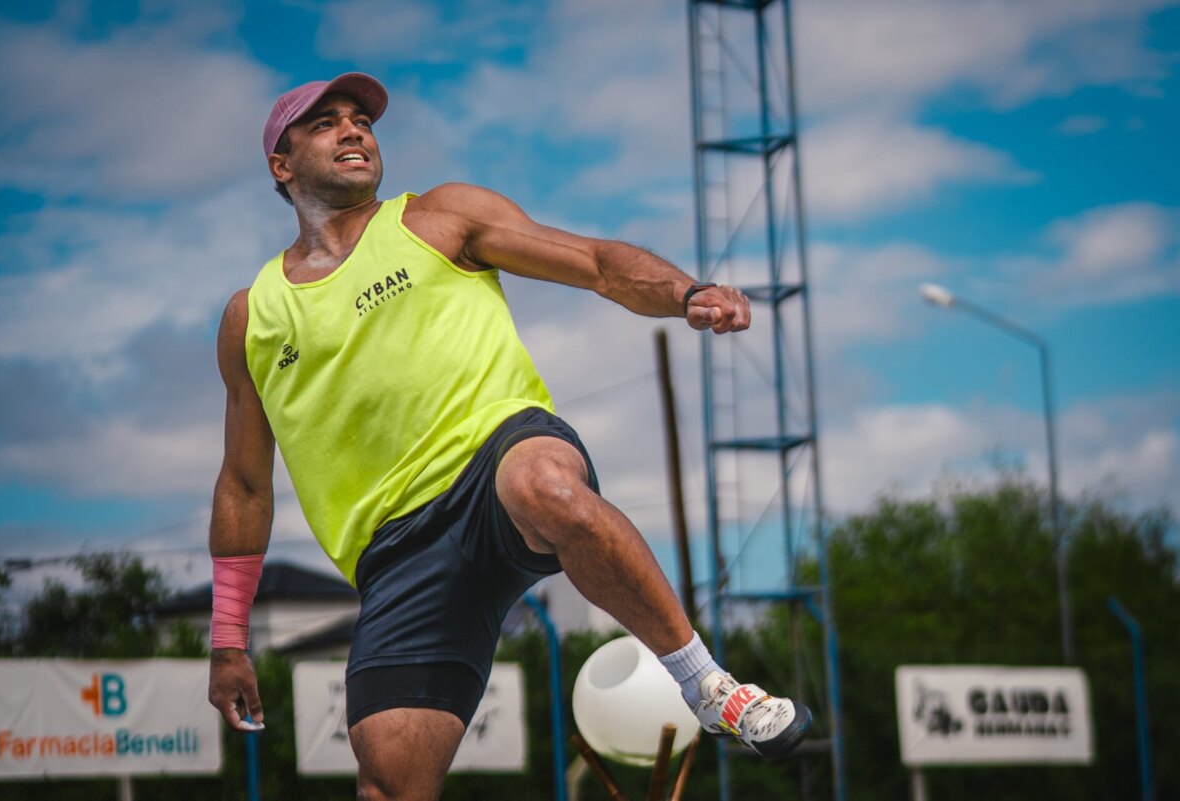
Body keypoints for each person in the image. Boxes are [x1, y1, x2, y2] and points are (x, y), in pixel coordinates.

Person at [207, 72, 811, 800]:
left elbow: (596, 264)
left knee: (543, 484)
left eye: (361, 119)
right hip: (398, 551)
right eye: (326, 121)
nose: (354, 129)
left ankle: (709, 687)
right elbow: (244, 484)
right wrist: (228, 638)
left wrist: (687, 293)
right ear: (282, 164)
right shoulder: (252, 317)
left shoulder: (439, 219)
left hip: (496, 457)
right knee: (389, 783)